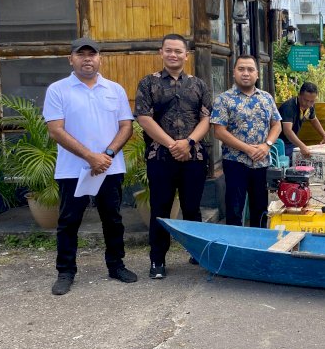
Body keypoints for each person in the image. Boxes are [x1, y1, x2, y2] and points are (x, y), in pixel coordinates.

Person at [43, 38, 136, 295]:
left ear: (100, 59)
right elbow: (56, 130)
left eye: (92, 54)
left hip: (110, 168)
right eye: (81, 54)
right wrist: (89, 157)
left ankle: (116, 265)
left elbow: (126, 126)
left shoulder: (114, 89)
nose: (87, 59)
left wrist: (106, 155)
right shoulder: (58, 90)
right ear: (70, 59)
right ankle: (65, 272)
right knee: (69, 222)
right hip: (73, 170)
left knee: (113, 220)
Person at [134, 34, 212, 280]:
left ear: (186, 55)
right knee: (160, 208)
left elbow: (207, 118)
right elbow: (144, 117)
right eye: (169, 50)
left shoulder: (199, 85)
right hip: (160, 157)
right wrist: (171, 144)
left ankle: (197, 253)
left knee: (192, 208)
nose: (173, 55)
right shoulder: (148, 83)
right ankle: (157, 259)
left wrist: (188, 142)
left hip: (194, 156)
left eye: (179, 51)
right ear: (161, 52)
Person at [211, 54, 281, 227]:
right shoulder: (223, 99)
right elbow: (219, 131)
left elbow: (277, 125)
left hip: (261, 162)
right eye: (241, 69)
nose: (246, 73)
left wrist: (267, 145)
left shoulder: (266, 98)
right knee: (234, 209)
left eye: (250, 69)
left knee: (260, 209)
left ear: (257, 74)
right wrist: (247, 149)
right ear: (234, 72)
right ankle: (234, 248)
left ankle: (257, 248)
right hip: (235, 162)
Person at [278, 82, 325, 159]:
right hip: (279, 143)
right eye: (306, 100)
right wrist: (302, 146)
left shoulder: (310, 106)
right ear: (299, 95)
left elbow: (314, 119)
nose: (308, 104)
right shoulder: (289, 107)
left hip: (292, 143)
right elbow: (287, 131)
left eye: (312, 101)